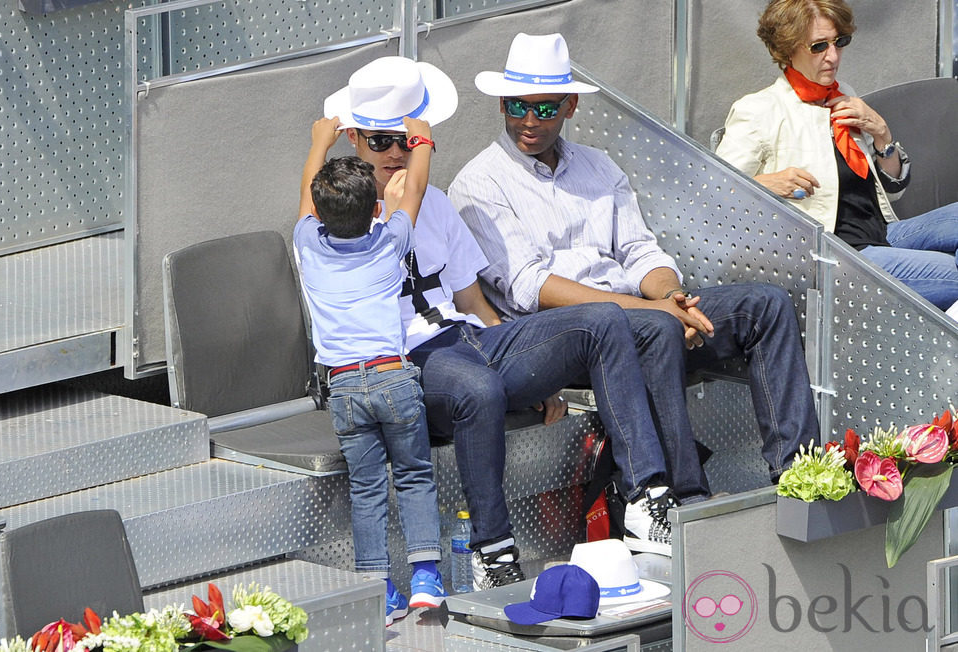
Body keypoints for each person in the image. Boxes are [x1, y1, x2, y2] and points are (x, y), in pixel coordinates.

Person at [301, 56, 711, 588]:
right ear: (353, 140)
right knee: (479, 388)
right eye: (381, 142)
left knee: (602, 319)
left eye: (406, 141)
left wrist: (527, 368)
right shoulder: (335, 224)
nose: (397, 153)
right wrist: (321, 145)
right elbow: (312, 201)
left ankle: (643, 497)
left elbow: (472, 302)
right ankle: (492, 551)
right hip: (397, 365)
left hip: (462, 339)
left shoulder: (439, 205)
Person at [448, 33, 820, 507]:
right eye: (517, 105)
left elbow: (640, 251)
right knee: (655, 329)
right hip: (559, 338)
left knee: (764, 305)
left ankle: (800, 475)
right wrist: (657, 311)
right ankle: (686, 499)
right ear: (501, 103)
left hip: (638, 313)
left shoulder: (598, 166)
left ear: (570, 107)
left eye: (544, 109)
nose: (528, 120)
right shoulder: (478, 183)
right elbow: (530, 287)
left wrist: (673, 296)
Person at [294, 106, 445, 626]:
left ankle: (379, 589)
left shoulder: (307, 245)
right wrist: (421, 142)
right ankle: (426, 577)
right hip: (393, 377)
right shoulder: (390, 242)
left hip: (344, 387)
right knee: (414, 476)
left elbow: (304, 197)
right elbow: (417, 192)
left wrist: (320, 140)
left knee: (367, 488)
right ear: (373, 208)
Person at [715, 0, 958, 311]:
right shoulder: (760, 109)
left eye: (839, 42)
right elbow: (714, 195)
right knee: (948, 273)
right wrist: (766, 183)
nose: (833, 56)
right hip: (836, 253)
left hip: (883, 232)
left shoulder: (845, 95)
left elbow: (893, 193)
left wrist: (882, 133)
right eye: (818, 46)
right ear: (788, 50)